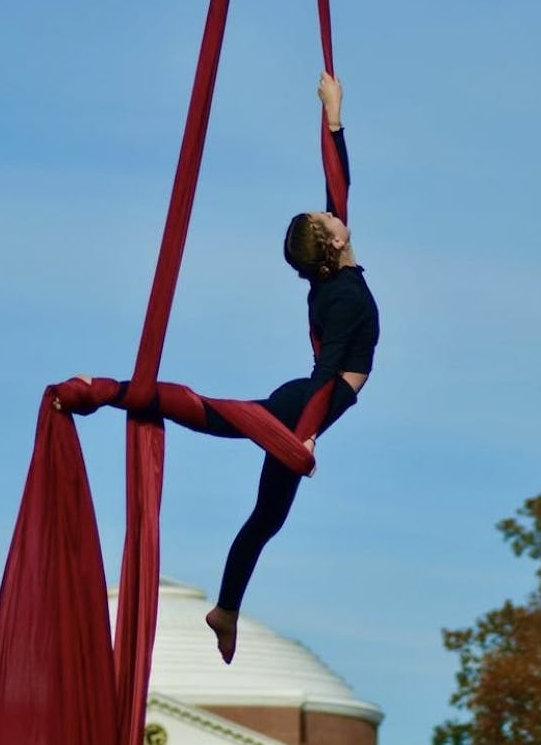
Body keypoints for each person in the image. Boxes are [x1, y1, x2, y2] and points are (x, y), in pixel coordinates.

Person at [54, 71, 379, 664]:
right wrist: (305, 436)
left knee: (266, 514)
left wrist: (333, 116)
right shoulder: (342, 298)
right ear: (332, 245)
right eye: (326, 218)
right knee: (216, 417)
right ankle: (110, 390)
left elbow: (339, 181)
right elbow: (329, 377)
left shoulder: (336, 272)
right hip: (304, 404)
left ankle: (225, 609)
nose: (332, 213)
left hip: (307, 405)